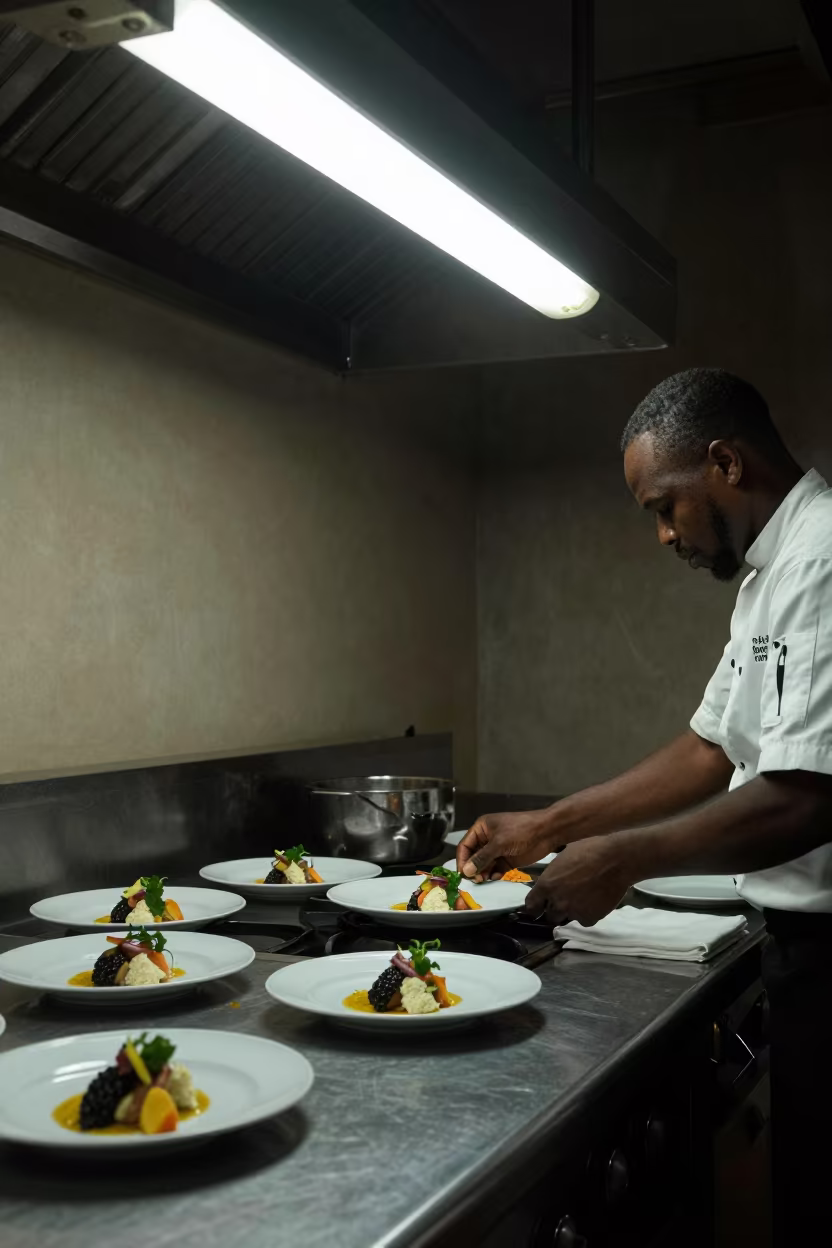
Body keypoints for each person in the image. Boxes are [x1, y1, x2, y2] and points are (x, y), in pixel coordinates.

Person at [458, 367, 832, 1246]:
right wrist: (553, 826)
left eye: (665, 506)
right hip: (798, 955)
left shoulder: (821, 559)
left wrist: (623, 860)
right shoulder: (772, 573)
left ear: (726, 464)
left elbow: (810, 799)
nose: (664, 534)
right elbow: (712, 748)